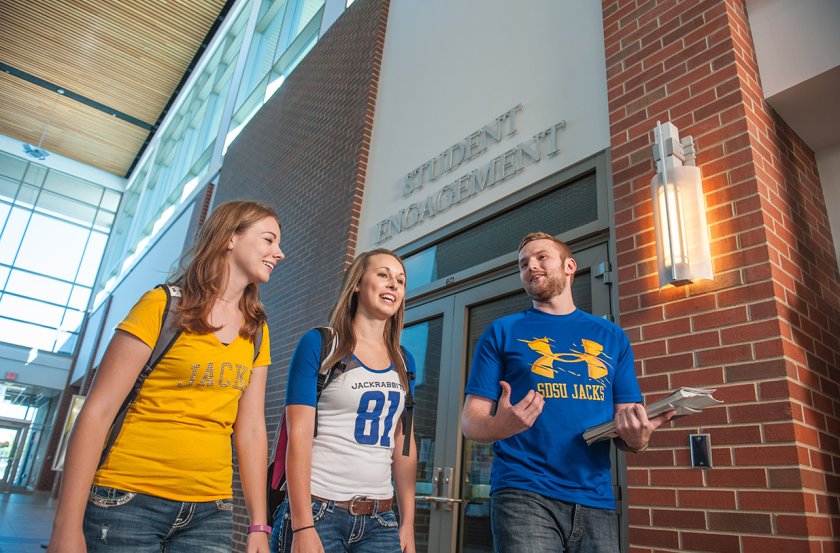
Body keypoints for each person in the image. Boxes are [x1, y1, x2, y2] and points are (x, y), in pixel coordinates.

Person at [48, 200, 286, 553]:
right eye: (269, 240)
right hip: (127, 499)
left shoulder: (256, 330)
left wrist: (258, 525)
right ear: (229, 238)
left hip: (212, 510)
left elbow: (250, 429)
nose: (278, 253)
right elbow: (97, 413)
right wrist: (66, 527)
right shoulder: (162, 305)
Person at [461, 232, 674, 553]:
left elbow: (627, 423)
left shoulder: (612, 337)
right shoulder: (502, 332)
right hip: (523, 492)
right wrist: (500, 426)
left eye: (541, 257)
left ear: (569, 265)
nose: (530, 266)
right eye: (523, 264)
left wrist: (639, 439)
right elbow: (471, 422)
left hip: (595, 497)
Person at [271, 248, 417, 553]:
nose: (393, 284)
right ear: (356, 284)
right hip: (320, 511)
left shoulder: (405, 361)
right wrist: (303, 525)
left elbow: (404, 444)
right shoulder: (321, 344)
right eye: (383, 275)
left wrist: (407, 524)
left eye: (400, 280)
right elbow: (298, 436)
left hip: (381, 520)